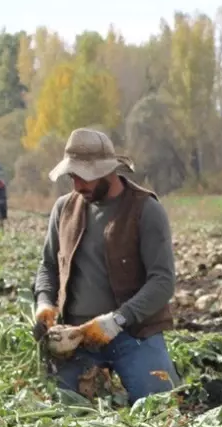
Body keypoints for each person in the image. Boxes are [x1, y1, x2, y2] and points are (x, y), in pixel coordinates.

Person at [32, 128, 180, 404]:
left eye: (83, 177)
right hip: (74, 339)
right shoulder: (63, 209)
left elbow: (162, 282)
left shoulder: (145, 210)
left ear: (107, 171)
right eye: (72, 177)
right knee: (63, 406)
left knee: (159, 405)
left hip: (133, 335)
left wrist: (116, 321)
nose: (77, 186)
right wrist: (43, 303)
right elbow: (48, 266)